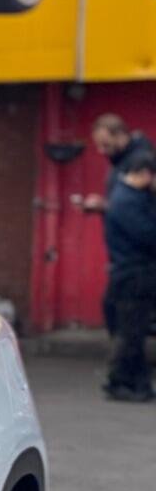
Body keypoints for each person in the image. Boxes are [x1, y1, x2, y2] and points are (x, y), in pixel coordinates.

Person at [76, 115, 154, 339]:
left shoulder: (140, 161)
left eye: (106, 144)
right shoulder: (121, 163)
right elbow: (126, 206)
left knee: (126, 325)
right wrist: (103, 206)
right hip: (125, 259)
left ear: (120, 136)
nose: (102, 151)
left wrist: (110, 207)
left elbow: (135, 209)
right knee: (116, 314)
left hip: (138, 261)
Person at [102, 149, 156, 401]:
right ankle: (121, 382)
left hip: (132, 272)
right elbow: (149, 236)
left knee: (133, 330)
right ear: (145, 174)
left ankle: (136, 383)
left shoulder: (130, 197)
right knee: (132, 332)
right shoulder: (128, 202)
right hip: (133, 274)